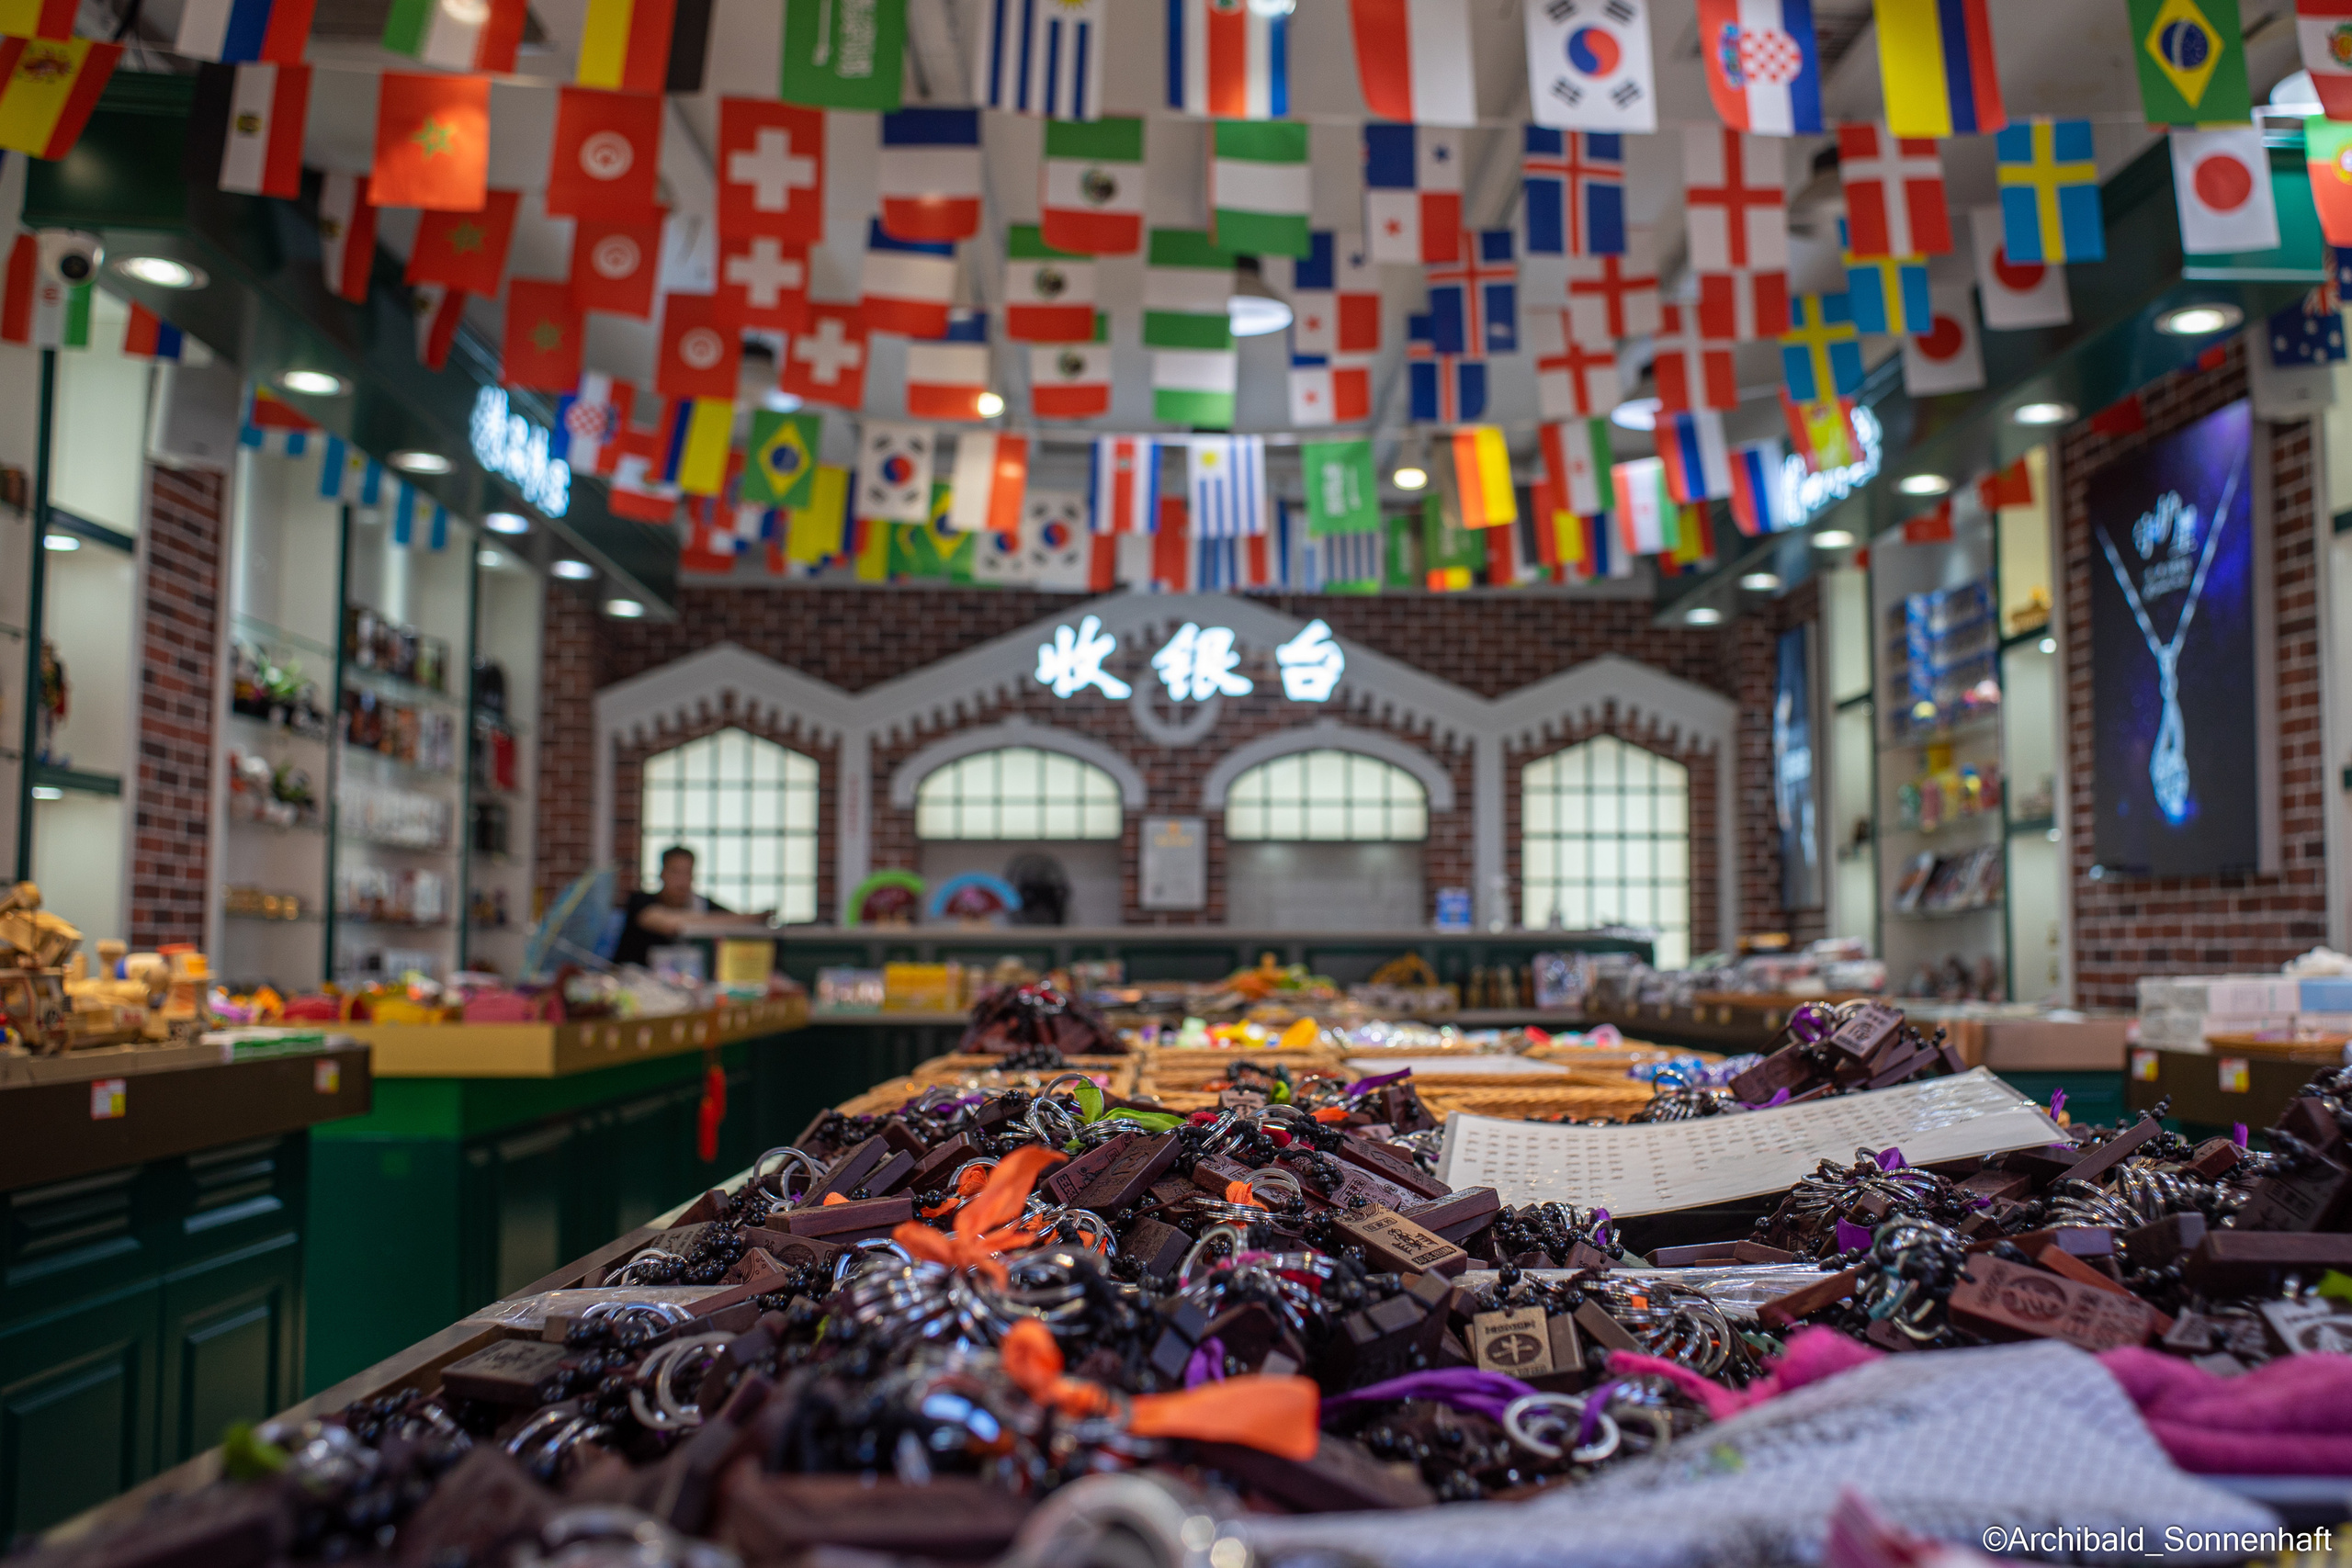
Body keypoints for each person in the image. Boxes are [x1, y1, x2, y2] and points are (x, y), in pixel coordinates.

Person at [612, 845, 731, 968]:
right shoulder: (640, 900)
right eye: (675, 872)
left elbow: (735, 919)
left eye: (687, 873)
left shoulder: (701, 904)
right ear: (662, 873)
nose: (682, 881)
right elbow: (669, 925)